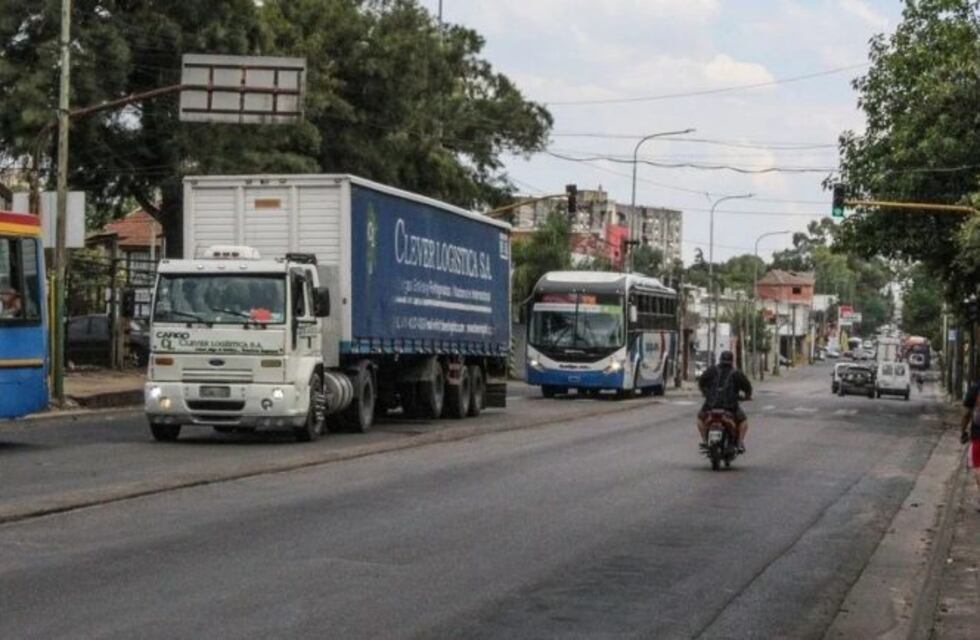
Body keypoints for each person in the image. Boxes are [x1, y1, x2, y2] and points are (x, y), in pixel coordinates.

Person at [698, 350, 752, 453]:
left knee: (700, 420)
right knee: (743, 422)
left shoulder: (712, 370)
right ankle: (739, 443)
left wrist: (706, 393)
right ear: (732, 361)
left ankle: (705, 441)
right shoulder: (736, 373)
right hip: (730, 407)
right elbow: (747, 387)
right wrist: (747, 396)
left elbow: (701, 382)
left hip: (711, 406)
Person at [960, 381, 980, 512]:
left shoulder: (975, 388)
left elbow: (966, 413)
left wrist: (963, 431)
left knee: (979, 467)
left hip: (979, 435)